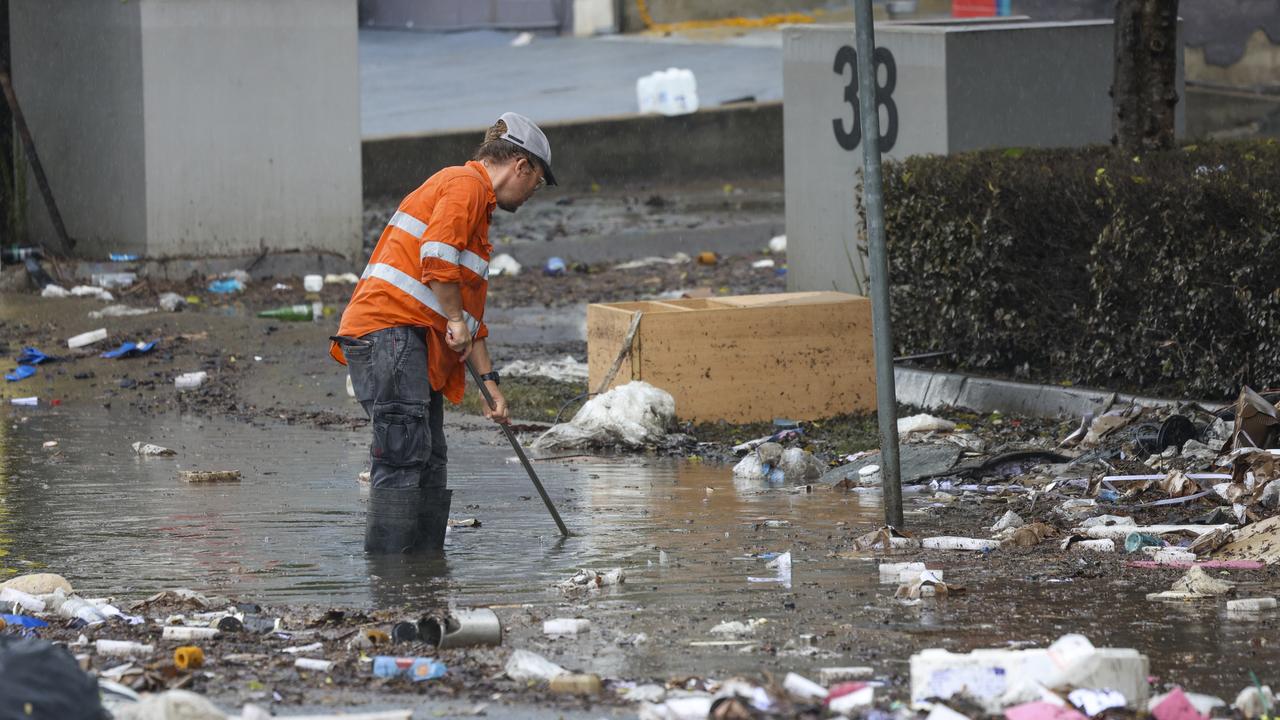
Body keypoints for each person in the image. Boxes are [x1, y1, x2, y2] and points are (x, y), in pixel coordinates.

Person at [330, 112, 556, 554]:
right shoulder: (465, 184)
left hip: (408, 340)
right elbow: (436, 255)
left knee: (429, 457)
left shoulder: (478, 212)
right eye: (538, 182)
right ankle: (393, 582)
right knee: (402, 454)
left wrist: (491, 385)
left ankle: (425, 574)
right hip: (388, 331)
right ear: (521, 166)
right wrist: (453, 320)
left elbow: (468, 320)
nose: (533, 193)